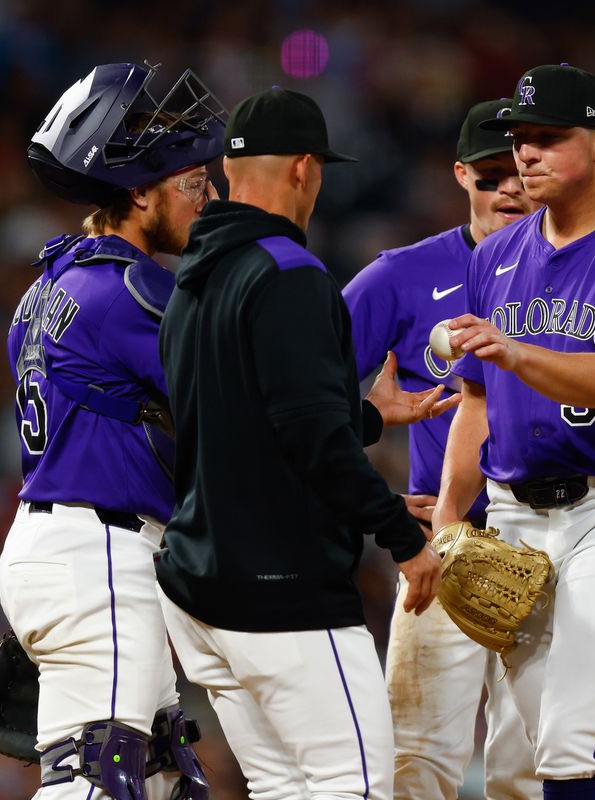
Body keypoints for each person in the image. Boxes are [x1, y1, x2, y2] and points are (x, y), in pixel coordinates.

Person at [344, 99, 595, 799]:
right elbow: (300, 397)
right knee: (415, 758)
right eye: (492, 172)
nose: (510, 186)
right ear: (461, 175)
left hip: (588, 515)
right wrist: (366, 458)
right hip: (453, 537)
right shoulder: (406, 274)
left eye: (522, 165)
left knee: (532, 757)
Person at [156, 87, 451, 800]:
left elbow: (251, 420)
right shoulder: (289, 273)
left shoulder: (193, 281)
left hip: (202, 590)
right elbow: (312, 437)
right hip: (279, 593)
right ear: (303, 168)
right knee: (352, 785)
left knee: (287, 790)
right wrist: (400, 537)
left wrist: (365, 418)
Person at [432, 64, 595, 800]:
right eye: (521, 139)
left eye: (549, 138)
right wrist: (451, 517)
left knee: (569, 739)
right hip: (516, 516)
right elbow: (478, 404)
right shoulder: (494, 256)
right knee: (547, 756)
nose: (526, 155)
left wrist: (517, 349)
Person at [0, 62, 226, 800]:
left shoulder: (50, 285)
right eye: (193, 182)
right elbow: (238, 401)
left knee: (160, 781)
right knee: (99, 783)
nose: (211, 195)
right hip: (99, 552)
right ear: (138, 191)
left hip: (67, 545)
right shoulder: (132, 286)